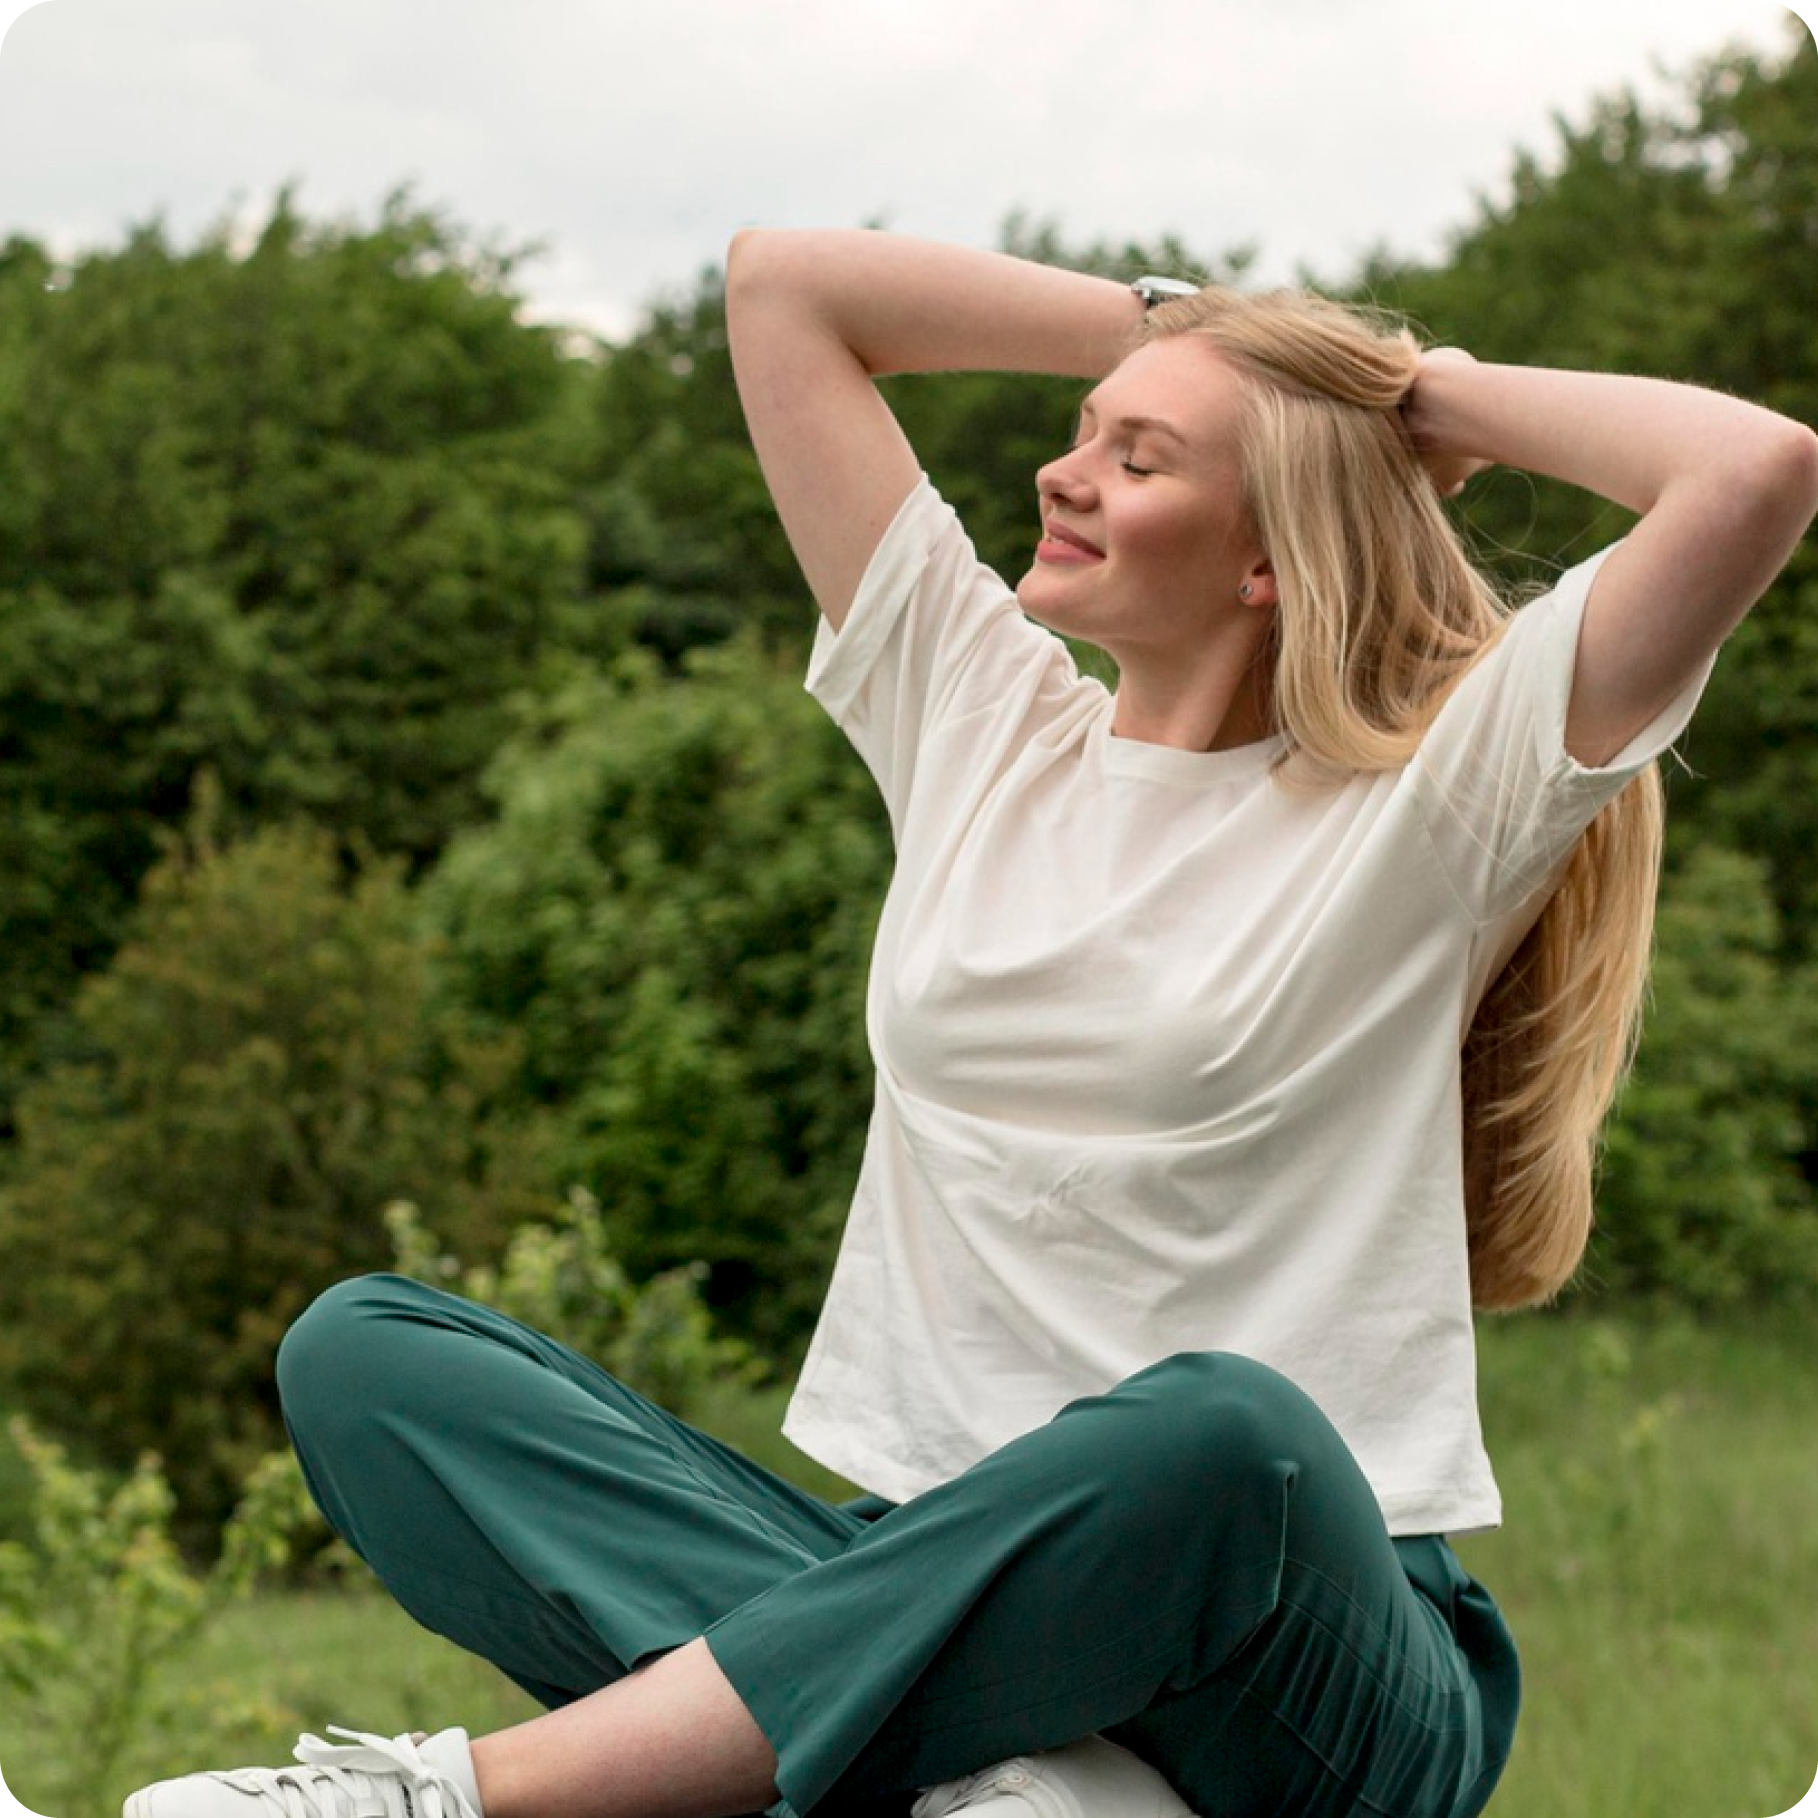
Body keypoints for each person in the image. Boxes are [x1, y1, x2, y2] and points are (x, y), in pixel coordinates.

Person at [125, 228, 1818, 1818]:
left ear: (1265, 558)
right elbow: (782, 288)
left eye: (1138, 459)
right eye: (1082, 434)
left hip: (1288, 1621)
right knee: (368, 1356)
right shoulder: (981, 721)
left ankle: (455, 1794)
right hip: (908, 1554)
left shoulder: (1429, 808)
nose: (1062, 473)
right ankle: (1006, 1771)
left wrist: (1395, 392)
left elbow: (1751, 469)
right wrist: (1177, 328)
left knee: (1219, 1430)